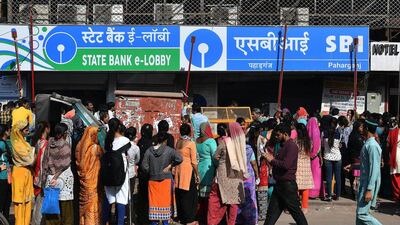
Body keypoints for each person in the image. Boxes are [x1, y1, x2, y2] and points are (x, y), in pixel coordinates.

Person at [262, 123, 308, 225]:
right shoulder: (284, 146)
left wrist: (272, 160)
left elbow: (286, 165)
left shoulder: (291, 146)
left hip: (287, 186)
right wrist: (269, 159)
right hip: (280, 185)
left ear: (285, 134)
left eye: (278, 135)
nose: (276, 137)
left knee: (296, 213)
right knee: (271, 215)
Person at [208, 122, 246, 225]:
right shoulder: (241, 143)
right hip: (237, 176)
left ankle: (213, 222)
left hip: (224, 175)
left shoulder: (224, 142)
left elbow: (215, 156)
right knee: (234, 203)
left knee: (217, 200)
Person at [141, 132, 183, 225]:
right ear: (165, 140)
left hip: (153, 181)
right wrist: (170, 166)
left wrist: (151, 171)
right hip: (166, 181)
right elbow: (180, 158)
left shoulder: (149, 151)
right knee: (165, 205)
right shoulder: (169, 150)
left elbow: (144, 166)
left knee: (154, 205)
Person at [42, 123, 74, 225]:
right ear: (65, 134)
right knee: (66, 210)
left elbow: (46, 161)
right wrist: (57, 176)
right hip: (64, 179)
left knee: (52, 210)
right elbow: (65, 163)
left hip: (50, 178)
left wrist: (51, 176)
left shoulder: (49, 143)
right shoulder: (66, 146)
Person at [102, 118, 130, 225]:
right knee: (121, 200)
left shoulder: (107, 140)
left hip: (108, 174)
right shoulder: (125, 141)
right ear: (119, 127)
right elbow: (131, 158)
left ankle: (105, 221)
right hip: (121, 175)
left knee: (109, 199)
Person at [356, 119, 382, 225]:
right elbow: (367, 165)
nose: (360, 129)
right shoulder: (368, 143)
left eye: (362, 127)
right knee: (360, 216)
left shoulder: (372, 146)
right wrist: (354, 166)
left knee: (362, 214)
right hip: (364, 183)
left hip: (368, 184)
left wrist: (369, 189)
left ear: (367, 129)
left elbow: (375, 169)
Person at [75, 126, 104, 225]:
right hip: (93, 181)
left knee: (84, 206)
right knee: (92, 205)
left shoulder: (79, 146)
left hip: (83, 181)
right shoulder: (95, 148)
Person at [174, 124, 199, 225]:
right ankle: (189, 219)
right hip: (188, 171)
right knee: (189, 196)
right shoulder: (191, 143)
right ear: (189, 132)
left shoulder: (178, 142)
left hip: (179, 170)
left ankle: (182, 217)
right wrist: (197, 174)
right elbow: (194, 161)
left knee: (180, 194)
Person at [11, 119, 35, 225]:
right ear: (19, 131)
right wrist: (32, 153)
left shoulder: (23, 143)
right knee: (20, 204)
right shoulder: (16, 144)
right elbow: (29, 159)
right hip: (20, 174)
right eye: (26, 130)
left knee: (28, 203)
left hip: (27, 173)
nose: (28, 132)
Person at [196, 122, 217, 224]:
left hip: (199, 168)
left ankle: (201, 216)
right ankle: (207, 218)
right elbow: (215, 156)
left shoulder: (196, 141)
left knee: (200, 197)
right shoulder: (211, 141)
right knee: (208, 197)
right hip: (208, 169)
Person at [237, 132, 259, 225]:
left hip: (238, 176)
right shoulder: (249, 148)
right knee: (250, 198)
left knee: (239, 199)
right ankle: (251, 220)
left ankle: (238, 219)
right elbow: (253, 163)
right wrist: (257, 175)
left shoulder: (234, 149)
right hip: (249, 176)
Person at [31, 121, 50, 225]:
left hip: (36, 175)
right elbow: (43, 163)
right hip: (41, 177)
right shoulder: (45, 143)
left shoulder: (37, 141)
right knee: (40, 204)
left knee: (38, 203)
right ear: (46, 129)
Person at [294, 123, 314, 214]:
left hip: (297, 164)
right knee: (305, 187)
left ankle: (295, 206)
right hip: (306, 164)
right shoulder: (309, 141)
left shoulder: (296, 141)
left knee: (296, 186)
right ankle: (305, 207)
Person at [137, 123, 154, 225]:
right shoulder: (152, 143)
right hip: (150, 174)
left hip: (142, 173)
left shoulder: (140, 142)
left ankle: (142, 218)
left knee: (142, 196)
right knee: (149, 196)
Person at [322, 117, 342, 201]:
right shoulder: (339, 133)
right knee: (338, 176)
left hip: (327, 157)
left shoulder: (323, 133)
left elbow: (322, 145)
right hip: (337, 157)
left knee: (329, 177)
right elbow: (340, 145)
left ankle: (329, 195)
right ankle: (337, 195)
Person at [345, 120, 365, 199]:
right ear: (357, 127)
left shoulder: (352, 134)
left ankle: (355, 193)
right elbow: (361, 147)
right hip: (357, 159)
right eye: (360, 127)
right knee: (357, 177)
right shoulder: (357, 137)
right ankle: (356, 194)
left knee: (354, 177)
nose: (362, 128)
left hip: (353, 158)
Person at [125, 127, 141, 224]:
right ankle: (130, 218)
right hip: (131, 173)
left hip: (122, 173)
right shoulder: (135, 147)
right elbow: (137, 160)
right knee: (130, 196)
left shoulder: (121, 145)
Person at [306, 117, 322, 199]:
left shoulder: (306, 132)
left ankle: (307, 192)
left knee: (309, 175)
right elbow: (318, 146)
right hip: (315, 158)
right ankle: (314, 193)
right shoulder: (317, 132)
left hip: (307, 157)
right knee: (316, 175)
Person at [0, 124, 12, 222]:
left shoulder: (5, 142)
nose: (10, 131)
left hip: (7, 177)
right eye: (9, 130)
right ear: (5, 132)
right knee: (3, 203)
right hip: (2, 178)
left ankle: (6, 221)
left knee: (6, 203)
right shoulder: (1, 144)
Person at [387, 119, 400, 202]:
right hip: (396, 155)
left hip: (396, 155)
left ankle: (398, 197)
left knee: (395, 179)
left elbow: (388, 145)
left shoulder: (392, 132)